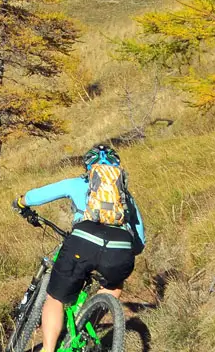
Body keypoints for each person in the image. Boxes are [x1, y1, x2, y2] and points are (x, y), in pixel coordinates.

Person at [14, 143, 145, 352]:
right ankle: (87, 323)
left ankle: (48, 349)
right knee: (114, 286)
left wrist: (21, 202)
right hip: (120, 248)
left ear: (89, 168)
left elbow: (38, 195)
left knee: (55, 298)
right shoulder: (125, 196)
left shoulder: (77, 183)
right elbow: (140, 241)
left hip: (82, 241)